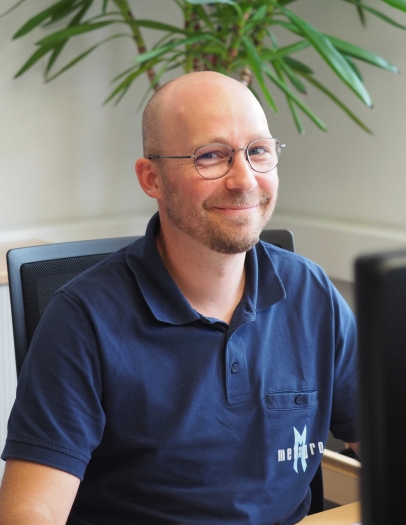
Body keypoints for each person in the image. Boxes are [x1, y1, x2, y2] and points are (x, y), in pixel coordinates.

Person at [0, 72, 359, 525]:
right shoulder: (83, 317)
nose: (244, 179)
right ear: (151, 178)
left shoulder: (312, 293)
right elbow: (29, 512)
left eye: (258, 151)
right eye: (210, 156)